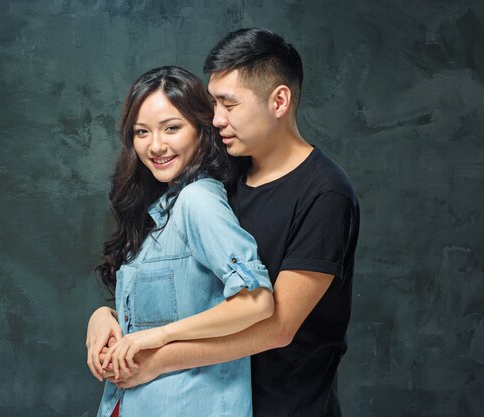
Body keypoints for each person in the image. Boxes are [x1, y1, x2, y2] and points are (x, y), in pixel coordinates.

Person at [90, 28, 360, 417]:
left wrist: (160, 356)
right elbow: (191, 296)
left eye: (229, 105)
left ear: (279, 101)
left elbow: (277, 325)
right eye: (213, 103)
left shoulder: (324, 193)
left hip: (287, 406)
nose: (216, 119)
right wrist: (107, 316)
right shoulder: (220, 178)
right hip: (205, 398)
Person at [87, 65, 274, 417]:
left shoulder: (198, 201)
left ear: (201, 130)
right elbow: (176, 306)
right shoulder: (158, 211)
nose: (155, 146)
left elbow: (257, 301)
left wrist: (160, 337)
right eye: (142, 132)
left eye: (171, 128)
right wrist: (104, 316)